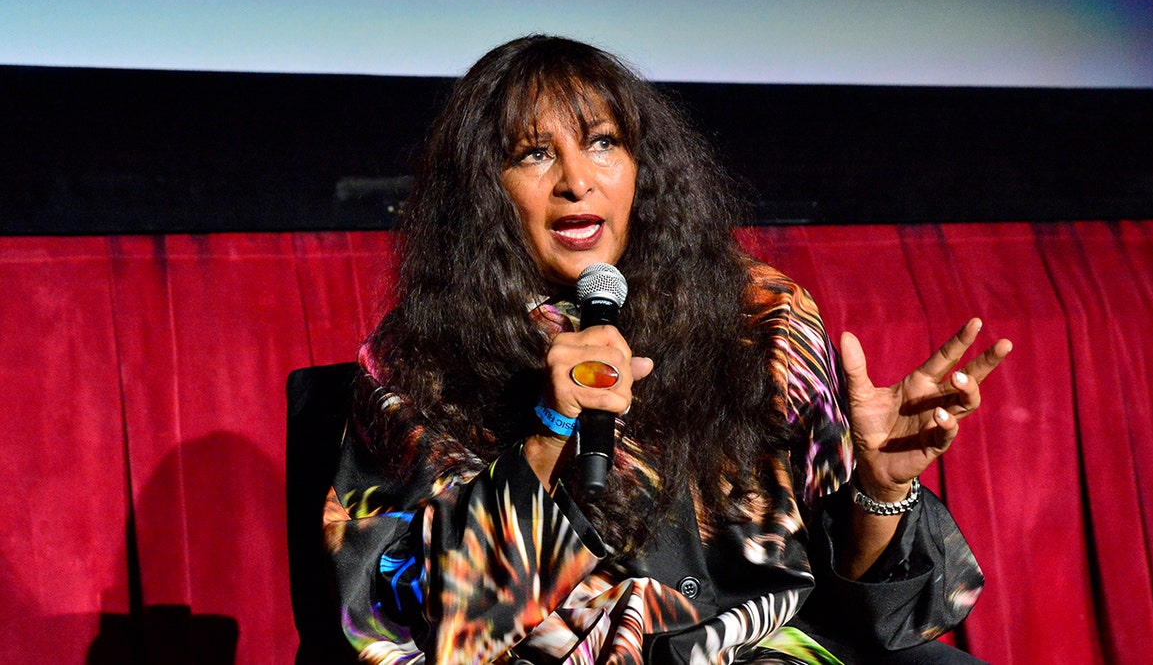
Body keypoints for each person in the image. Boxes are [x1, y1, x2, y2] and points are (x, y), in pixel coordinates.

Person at [322, 35, 1011, 664]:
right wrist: (549, 431)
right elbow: (412, 618)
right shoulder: (421, 359)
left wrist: (880, 489)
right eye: (533, 153)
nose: (576, 180)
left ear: (641, 166)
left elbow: (866, 606)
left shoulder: (761, 315)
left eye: (602, 143)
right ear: (483, 189)